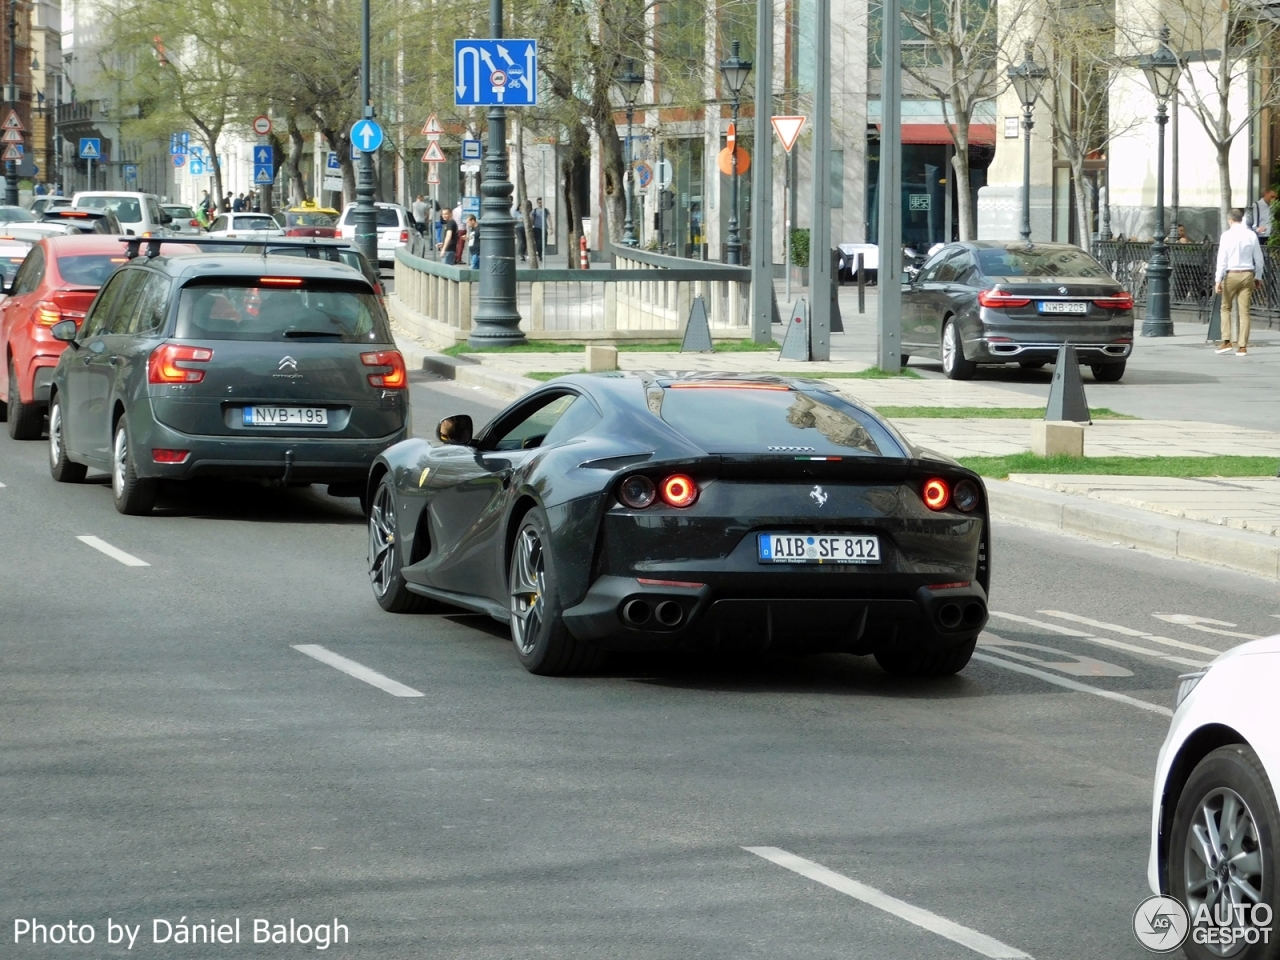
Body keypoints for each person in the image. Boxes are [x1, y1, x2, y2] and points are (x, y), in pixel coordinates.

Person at [1215, 208, 1265, 356]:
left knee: (1225, 308)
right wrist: (1258, 276)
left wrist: (1218, 279)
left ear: (1230, 220)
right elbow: (1259, 258)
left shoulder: (1226, 236)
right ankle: (1242, 346)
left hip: (1231, 274)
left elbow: (1222, 260)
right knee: (1245, 312)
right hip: (1247, 274)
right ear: (1241, 218)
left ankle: (1226, 341)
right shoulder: (1251, 235)